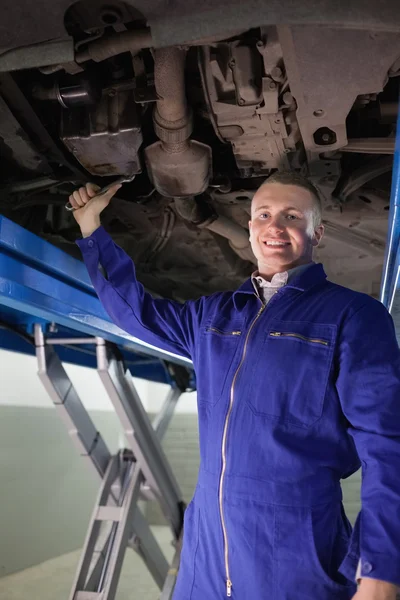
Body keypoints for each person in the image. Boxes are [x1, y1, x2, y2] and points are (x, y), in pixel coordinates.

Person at [70, 172, 400, 600]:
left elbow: (387, 445)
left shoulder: (352, 315)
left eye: (291, 215)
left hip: (296, 558)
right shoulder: (212, 315)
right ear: (249, 227)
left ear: (317, 231)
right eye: (263, 214)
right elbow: (137, 313)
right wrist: (91, 231)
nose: (274, 226)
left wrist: (380, 572)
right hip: (205, 554)